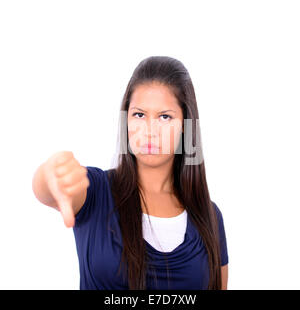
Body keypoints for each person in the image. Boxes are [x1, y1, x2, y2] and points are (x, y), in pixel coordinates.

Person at [32, 56, 229, 290]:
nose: (149, 131)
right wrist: (49, 176)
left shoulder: (209, 216)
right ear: (125, 120)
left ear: (186, 125)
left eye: (165, 117)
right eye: (139, 115)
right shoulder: (95, 190)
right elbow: (46, 186)